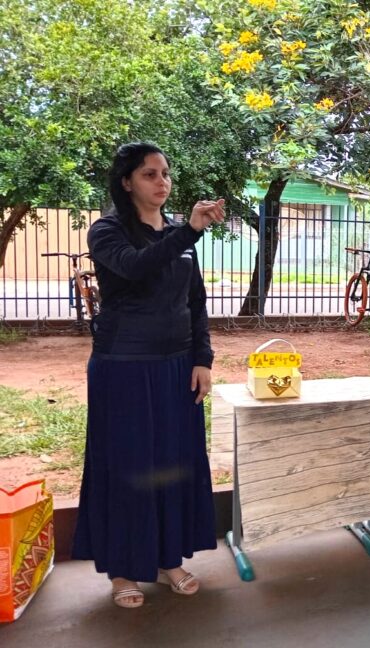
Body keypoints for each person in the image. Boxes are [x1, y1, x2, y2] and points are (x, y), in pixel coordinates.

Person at [72, 142, 225, 608]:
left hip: (177, 368)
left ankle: (166, 559)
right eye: (149, 175)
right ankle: (123, 570)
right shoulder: (107, 232)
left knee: (170, 466)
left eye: (165, 174)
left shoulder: (178, 236)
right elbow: (135, 268)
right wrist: (189, 233)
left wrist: (202, 359)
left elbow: (194, 302)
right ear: (126, 182)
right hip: (124, 368)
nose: (162, 183)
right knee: (128, 467)